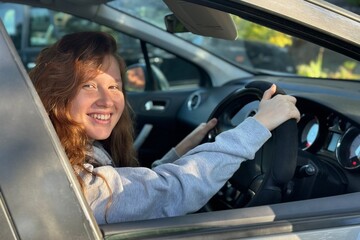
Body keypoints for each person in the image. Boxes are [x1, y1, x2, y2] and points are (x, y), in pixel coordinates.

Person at [29, 31, 300, 224]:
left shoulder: (69, 152)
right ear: (57, 92)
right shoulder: (69, 180)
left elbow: (136, 198)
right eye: (88, 85)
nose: (106, 99)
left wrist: (179, 154)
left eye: (114, 86)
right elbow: (172, 193)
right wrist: (257, 126)